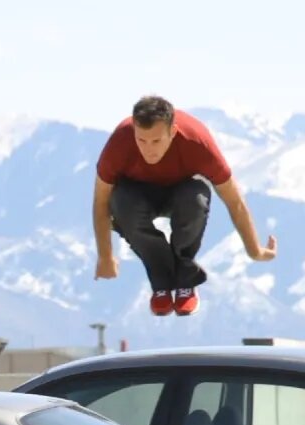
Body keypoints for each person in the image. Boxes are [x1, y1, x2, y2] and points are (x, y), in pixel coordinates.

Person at [92, 95, 277, 316]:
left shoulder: (198, 143)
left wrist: (254, 249)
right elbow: (100, 203)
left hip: (182, 193)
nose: (148, 149)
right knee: (119, 201)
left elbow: (234, 201)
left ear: (173, 132)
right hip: (136, 195)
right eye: (141, 140)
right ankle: (161, 284)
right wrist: (105, 256)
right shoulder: (119, 143)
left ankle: (184, 281)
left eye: (156, 141)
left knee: (196, 197)